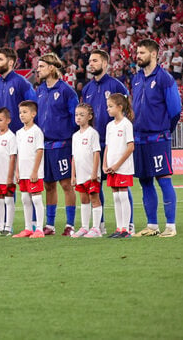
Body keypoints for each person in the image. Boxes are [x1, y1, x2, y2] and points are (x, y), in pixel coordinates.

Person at [130, 39, 181, 238]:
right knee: (145, 182)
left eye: (142, 52)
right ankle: (152, 226)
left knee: (164, 180)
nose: (138, 56)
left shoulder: (164, 78)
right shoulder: (136, 78)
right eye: (137, 52)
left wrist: (165, 130)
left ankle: (170, 226)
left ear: (153, 54)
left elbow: (175, 110)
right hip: (140, 139)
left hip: (158, 138)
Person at [80, 49, 129, 231]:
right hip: (94, 144)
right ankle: (99, 225)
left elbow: (128, 111)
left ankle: (127, 224)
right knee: (95, 184)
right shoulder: (87, 89)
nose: (91, 64)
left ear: (105, 64)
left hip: (113, 144)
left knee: (120, 185)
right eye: (90, 61)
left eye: (95, 61)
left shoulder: (117, 86)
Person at [36, 53, 79, 236]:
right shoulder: (39, 90)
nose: (38, 70)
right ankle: (50, 225)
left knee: (66, 185)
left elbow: (75, 118)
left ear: (52, 68)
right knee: (48, 185)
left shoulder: (67, 91)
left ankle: (70, 224)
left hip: (63, 144)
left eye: (41, 66)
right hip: (45, 145)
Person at [104, 93, 136, 238]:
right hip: (111, 167)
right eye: (107, 106)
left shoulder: (126, 124)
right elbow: (107, 146)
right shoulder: (110, 126)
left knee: (123, 196)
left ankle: (126, 229)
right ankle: (119, 228)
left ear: (120, 107)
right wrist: (105, 164)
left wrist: (117, 165)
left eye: (110, 106)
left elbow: (130, 147)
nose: (108, 109)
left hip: (122, 167)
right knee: (116, 197)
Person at [13, 101, 46, 238]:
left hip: (34, 172)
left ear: (33, 114)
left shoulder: (37, 131)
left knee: (36, 199)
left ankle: (39, 229)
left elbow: (39, 151)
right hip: (23, 172)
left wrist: (35, 171)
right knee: (25, 199)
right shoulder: (19, 133)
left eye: (25, 112)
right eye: (20, 112)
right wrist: (17, 171)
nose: (22, 115)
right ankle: (28, 228)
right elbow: (19, 153)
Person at [70, 103, 103, 238]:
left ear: (89, 117)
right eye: (77, 115)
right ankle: (84, 227)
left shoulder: (92, 133)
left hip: (91, 174)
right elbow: (74, 157)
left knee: (94, 199)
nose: (78, 117)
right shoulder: (75, 136)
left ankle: (96, 228)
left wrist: (95, 172)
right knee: (83, 200)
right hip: (81, 174)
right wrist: (73, 175)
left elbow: (96, 153)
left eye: (82, 115)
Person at [0, 47, 37, 133]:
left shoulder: (21, 82)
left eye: (0, 59)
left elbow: (34, 107)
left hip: (20, 136)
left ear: (10, 62)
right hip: (2, 136)